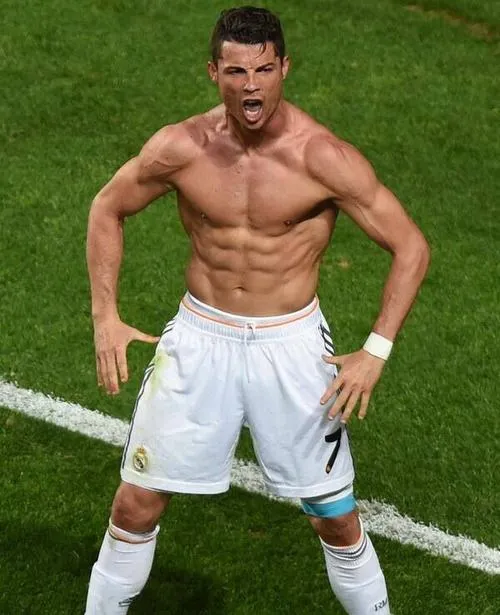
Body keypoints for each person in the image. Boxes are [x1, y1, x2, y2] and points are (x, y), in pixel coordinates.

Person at [85, 6, 430, 614]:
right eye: (237, 71)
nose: (252, 86)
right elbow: (107, 208)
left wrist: (375, 352)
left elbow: (410, 247)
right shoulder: (181, 147)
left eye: (264, 70)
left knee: (335, 517)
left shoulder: (321, 157)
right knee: (136, 503)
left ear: (284, 68)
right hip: (200, 340)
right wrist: (104, 317)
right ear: (213, 72)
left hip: (291, 347)